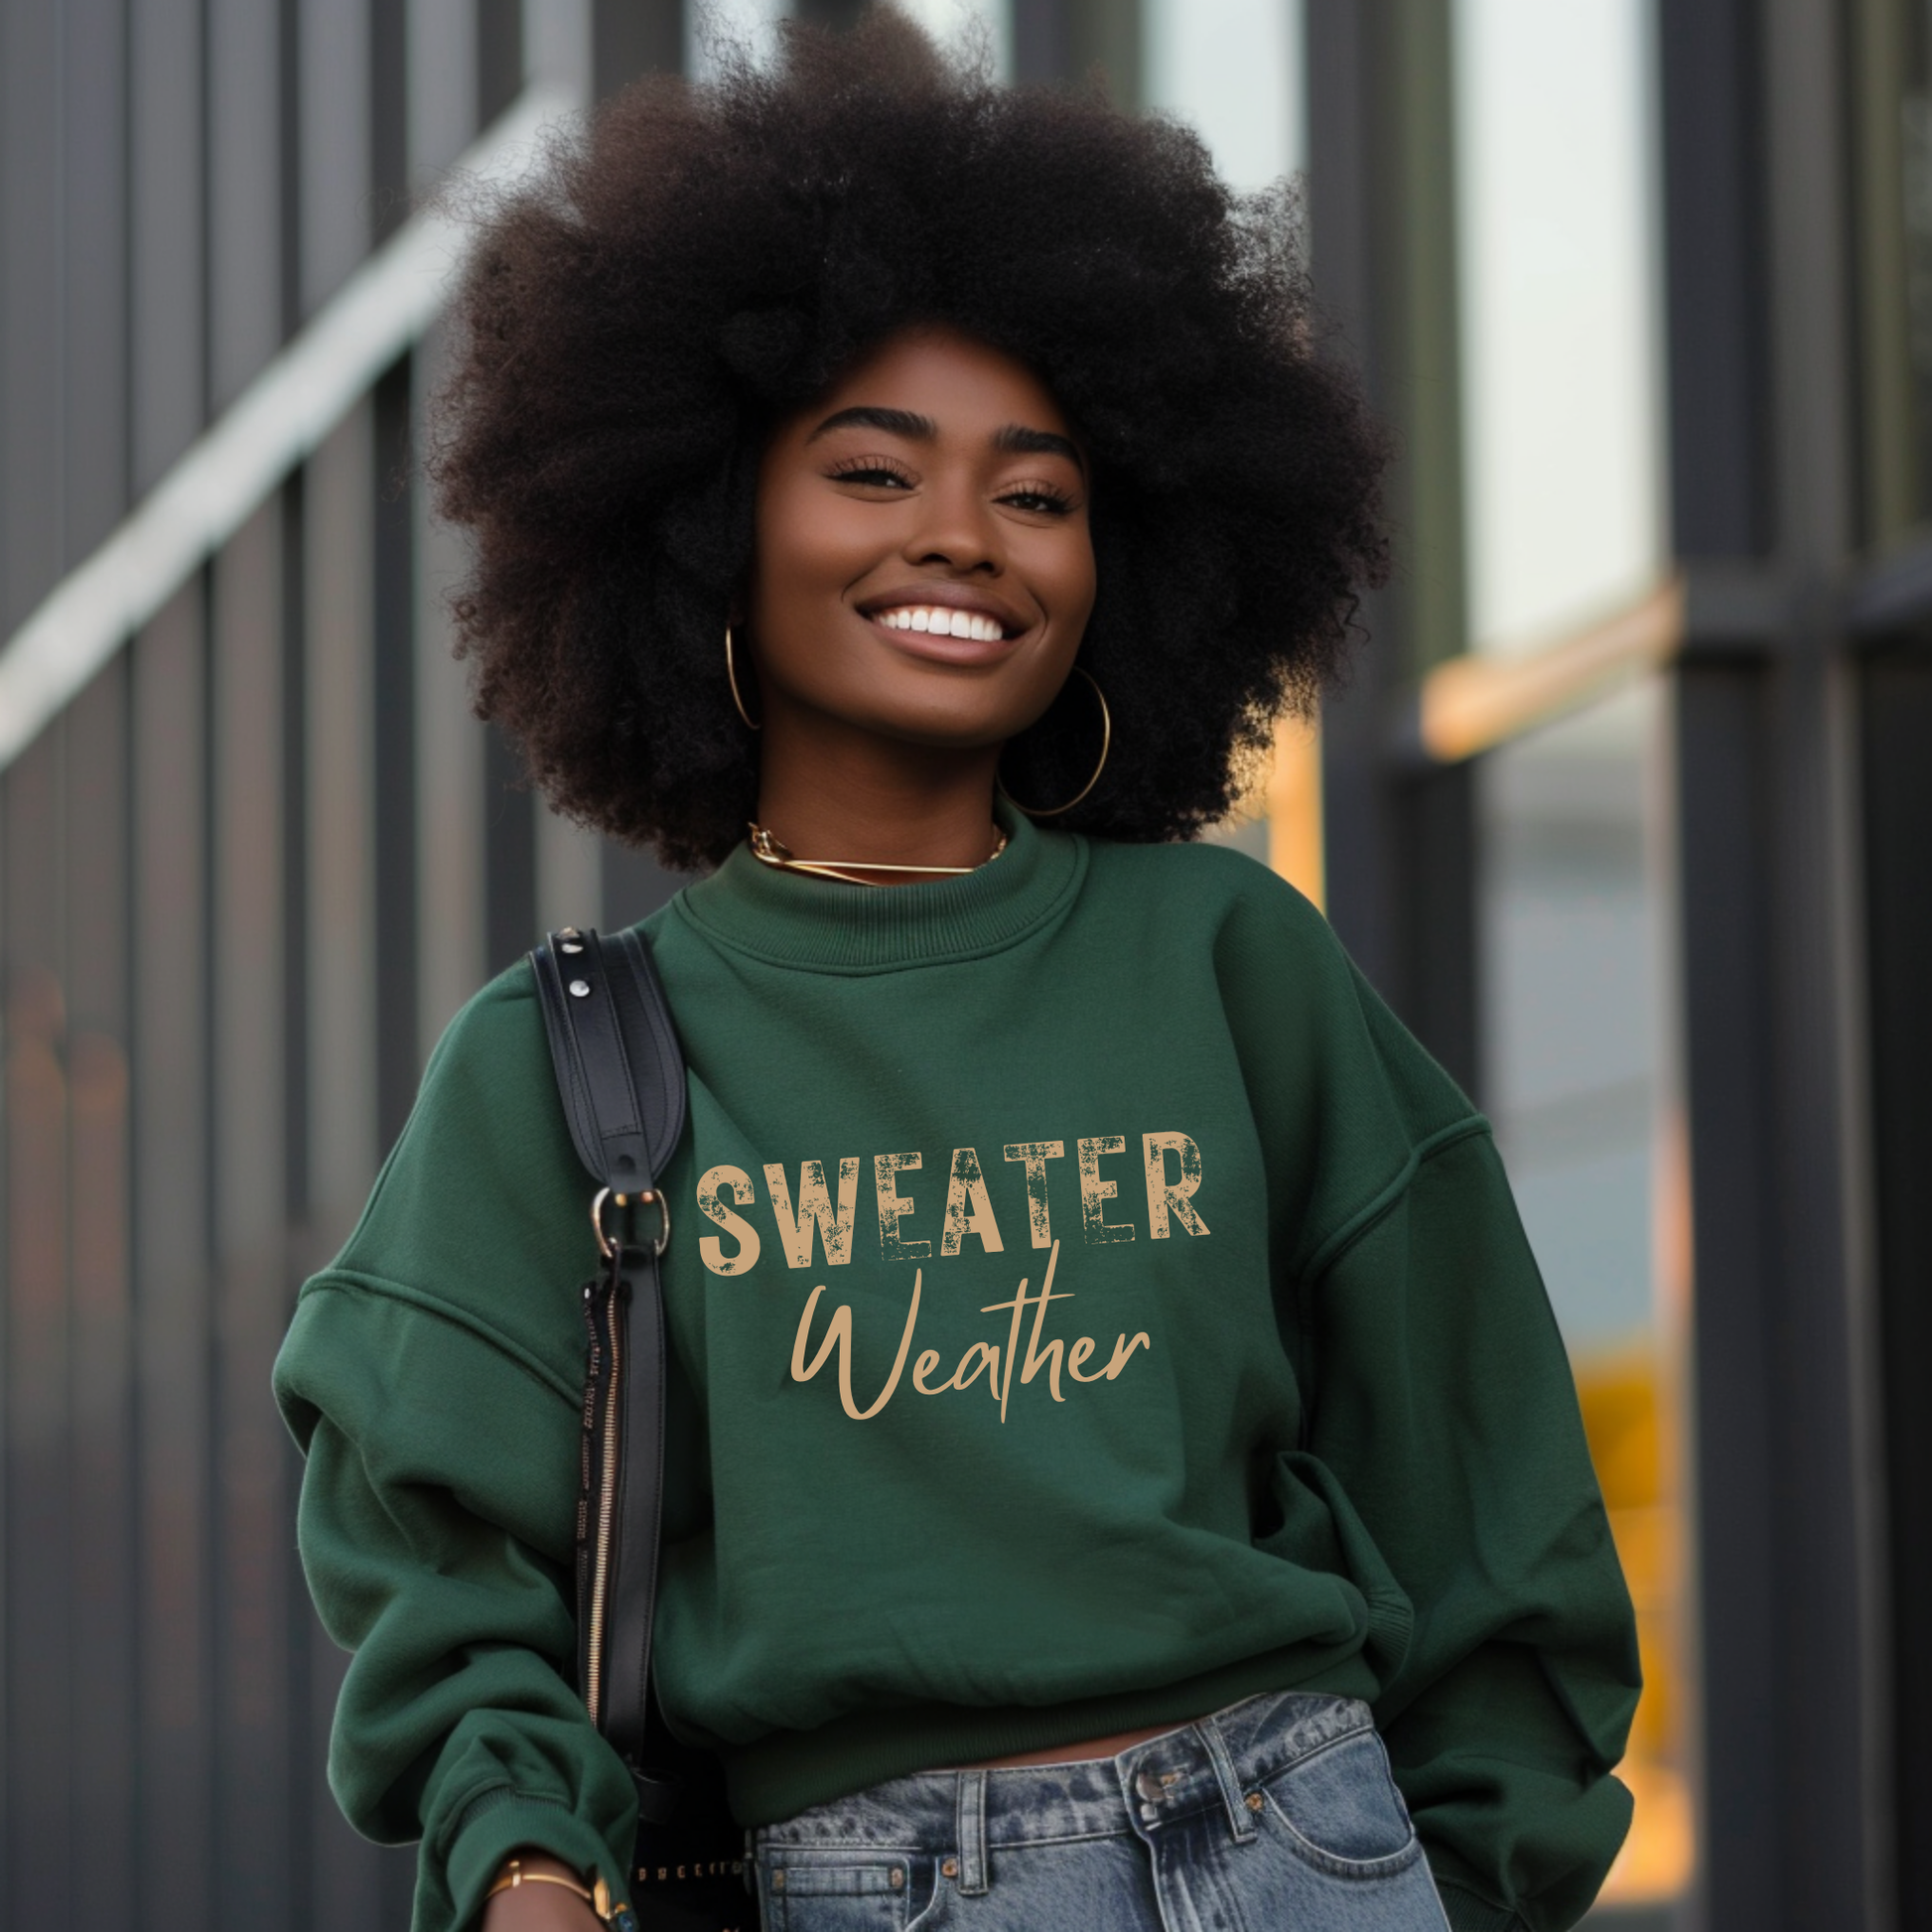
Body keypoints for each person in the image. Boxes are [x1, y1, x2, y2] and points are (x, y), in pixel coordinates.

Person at [273, 13, 1639, 1932]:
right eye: (869, 467)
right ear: (703, 524)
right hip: (875, 1878)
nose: (959, 538)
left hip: (1310, 1840)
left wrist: (1479, 1868)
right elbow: (436, 1549)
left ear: (1121, 554)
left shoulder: (1232, 955)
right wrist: (518, 1855)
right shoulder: (568, 1058)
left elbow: (1474, 1463)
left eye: (1037, 490)